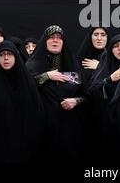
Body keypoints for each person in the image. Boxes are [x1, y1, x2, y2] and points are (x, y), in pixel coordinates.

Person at [0, 41, 43, 162]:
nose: (6, 58)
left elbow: (36, 113)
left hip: (23, 146)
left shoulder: (26, 82)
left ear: (16, 56)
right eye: (1, 54)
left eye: (9, 54)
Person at [26, 25, 86, 162]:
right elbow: (23, 89)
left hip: (69, 131)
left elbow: (87, 95)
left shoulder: (72, 65)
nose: (55, 41)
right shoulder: (32, 65)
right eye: (51, 38)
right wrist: (46, 76)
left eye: (59, 38)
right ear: (44, 41)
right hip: (41, 129)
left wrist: (77, 101)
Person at [88, 34, 120, 162]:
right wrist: (110, 79)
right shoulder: (105, 67)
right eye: (115, 46)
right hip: (108, 127)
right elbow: (92, 92)